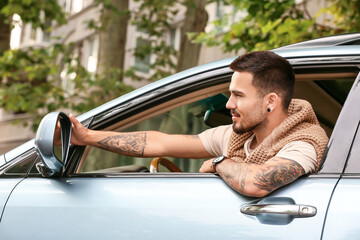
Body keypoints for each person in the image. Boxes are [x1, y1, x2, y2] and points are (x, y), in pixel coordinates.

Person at [67, 51, 329, 197]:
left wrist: (218, 163)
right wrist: (86, 136)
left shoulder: (304, 143)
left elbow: (257, 182)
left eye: (238, 95)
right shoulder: (238, 137)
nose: (228, 105)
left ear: (270, 101)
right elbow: (160, 142)